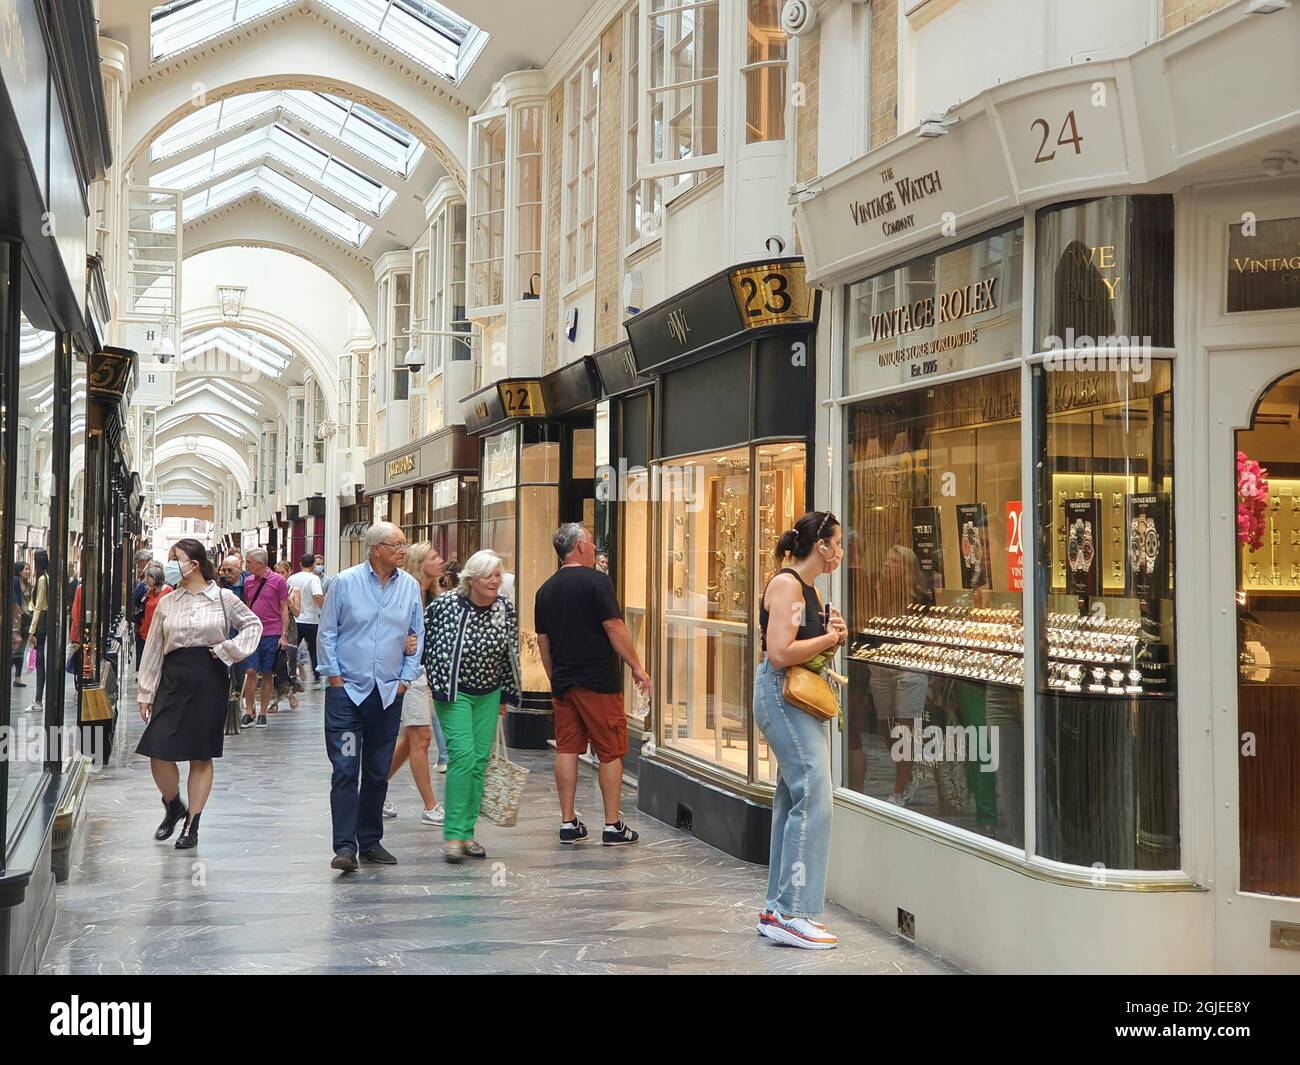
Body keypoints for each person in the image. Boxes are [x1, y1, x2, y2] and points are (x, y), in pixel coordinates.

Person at [753, 510, 847, 950]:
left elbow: (799, 649)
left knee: (794, 796)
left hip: (795, 698)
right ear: (821, 546)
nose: (841, 552)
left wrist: (833, 633)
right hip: (782, 696)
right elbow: (779, 653)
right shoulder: (788, 584)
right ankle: (795, 913)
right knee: (814, 795)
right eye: (837, 543)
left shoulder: (809, 589)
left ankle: (778, 907)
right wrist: (827, 640)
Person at [136, 539, 262, 849]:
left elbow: (253, 625)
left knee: (200, 754)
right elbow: (153, 646)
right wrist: (145, 691)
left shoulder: (223, 598)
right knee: (158, 749)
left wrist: (227, 650)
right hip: (173, 677)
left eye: (175, 558)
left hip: (210, 676)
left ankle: (192, 822)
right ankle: (173, 804)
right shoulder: (168, 601)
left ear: (193, 563)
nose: (170, 565)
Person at [317, 522, 425, 872]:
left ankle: (370, 840)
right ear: (375, 548)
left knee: (378, 771)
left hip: (388, 694)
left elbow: (416, 634)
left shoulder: (408, 587)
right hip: (348, 694)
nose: (403, 550)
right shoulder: (345, 583)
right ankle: (345, 847)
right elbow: (327, 631)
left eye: (404, 545)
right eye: (397, 544)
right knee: (346, 768)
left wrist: (406, 679)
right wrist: (334, 676)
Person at [534, 523, 650, 848]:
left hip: (565, 683)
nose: (594, 547)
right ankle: (612, 824)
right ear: (581, 545)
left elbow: (543, 642)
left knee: (567, 748)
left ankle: (568, 821)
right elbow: (614, 626)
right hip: (599, 682)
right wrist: (637, 668)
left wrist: (554, 676)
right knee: (611, 750)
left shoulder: (545, 590)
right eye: (590, 539)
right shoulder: (597, 582)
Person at [423, 549, 520, 863]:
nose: (495, 581)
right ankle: (452, 835)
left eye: (498, 575)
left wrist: (506, 694)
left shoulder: (505, 607)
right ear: (471, 579)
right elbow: (427, 644)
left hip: (489, 693)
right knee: (462, 756)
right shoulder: (446, 605)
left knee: (479, 761)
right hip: (455, 694)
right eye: (488, 575)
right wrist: (437, 684)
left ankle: (467, 832)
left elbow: (511, 650)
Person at [382, 543, 449, 826]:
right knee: (421, 737)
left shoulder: (434, 596)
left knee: (412, 741)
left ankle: (375, 787)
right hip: (405, 674)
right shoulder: (405, 595)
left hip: (423, 675)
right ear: (420, 563)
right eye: (434, 557)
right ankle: (431, 805)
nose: (441, 561)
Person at [239, 548, 289, 729]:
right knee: (250, 671)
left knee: (268, 672)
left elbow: (284, 608)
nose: (246, 565)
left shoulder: (278, 581)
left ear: (259, 564)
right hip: (253, 632)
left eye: (249, 562)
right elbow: (247, 605)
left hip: (272, 632)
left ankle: (263, 712)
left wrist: (284, 634)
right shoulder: (248, 582)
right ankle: (249, 711)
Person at [287, 553, 324, 689]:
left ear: (301, 564)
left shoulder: (291, 578)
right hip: (311, 620)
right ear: (313, 565)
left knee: (292, 648)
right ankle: (317, 675)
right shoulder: (314, 579)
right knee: (313, 649)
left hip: (295, 620)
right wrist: (325, 609)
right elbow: (318, 595)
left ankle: (289, 674)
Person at [272, 561, 302, 711]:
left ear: (289, 572)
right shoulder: (272, 588)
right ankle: (285, 697)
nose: (279, 575)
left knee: (287, 664)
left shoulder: (294, 590)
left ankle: (282, 697)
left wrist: (288, 601)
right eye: (277, 572)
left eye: (282, 572)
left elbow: (297, 612)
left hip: (290, 629)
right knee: (275, 664)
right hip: (274, 627)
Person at [26, 549, 51, 713]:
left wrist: (31, 630)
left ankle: (38, 700)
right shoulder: (47, 577)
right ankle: (38, 699)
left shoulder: (42, 579)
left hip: (40, 622)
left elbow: (39, 605)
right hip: (44, 621)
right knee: (40, 660)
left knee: (39, 660)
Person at [137, 563, 173, 670]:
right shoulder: (149, 592)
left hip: (161, 630)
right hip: (147, 630)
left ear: (155, 578)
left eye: (148, 578)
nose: (146, 581)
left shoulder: (168, 591)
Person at [11, 561, 32, 687]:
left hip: (26, 620)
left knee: (21, 649)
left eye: (29, 569)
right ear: (19, 571)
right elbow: (14, 603)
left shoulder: (28, 585)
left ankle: (18, 677)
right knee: (15, 649)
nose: (28, 572)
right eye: (26, 569)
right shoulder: (14, 582)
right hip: (16, 620)